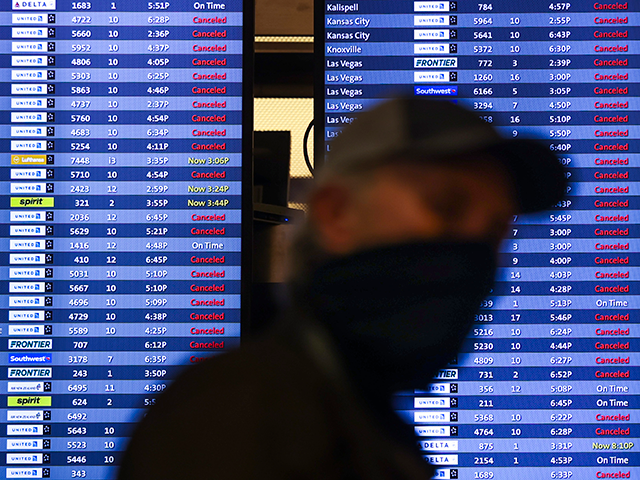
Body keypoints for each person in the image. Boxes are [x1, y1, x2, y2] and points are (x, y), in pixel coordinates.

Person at [118, 98, 566, 480]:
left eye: (492, 233)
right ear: (336, 214)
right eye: (445, 208)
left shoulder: (354, 415)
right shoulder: (238, 411)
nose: (471, 252)